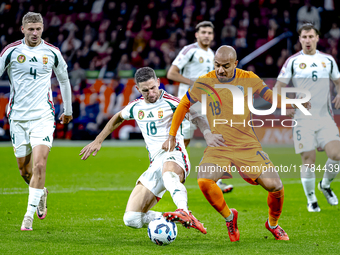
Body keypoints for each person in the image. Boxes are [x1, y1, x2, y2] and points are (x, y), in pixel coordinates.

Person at [162, 46, 305, 242]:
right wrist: (172, 134)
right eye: (217, 65)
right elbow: (184, 104)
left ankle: (273, 224)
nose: (220, 70)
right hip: (219, 145)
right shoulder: (205, 81)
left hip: (247, 145)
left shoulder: (248, 78)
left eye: (226, 66)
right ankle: (230, 218)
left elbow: (271, 98)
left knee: (275, 186)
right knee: (204, 180)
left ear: (235, 64)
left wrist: (294, 103)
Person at [80, 67, 224, 234]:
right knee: (132, 219)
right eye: (145, 90)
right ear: (138, 89)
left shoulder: (172, 102)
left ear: (158, 82)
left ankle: (183, 210)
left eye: (153, 87)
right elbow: (118, 117)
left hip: (174, 154)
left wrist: (207, 134)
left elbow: (197, 115)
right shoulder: (136, 107)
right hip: (155, 163)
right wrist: (98, 141)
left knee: (169, 175)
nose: (151, 93)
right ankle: (170, 218)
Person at [0, 12, 73, 230]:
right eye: (31, 29)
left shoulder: (52, 52)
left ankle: (28, 217)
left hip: (43, 115)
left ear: (42, 29)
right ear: (23, 29)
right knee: (25, 170)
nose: (35, 33)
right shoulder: (11, 51)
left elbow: (63, 79)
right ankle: (41, 192)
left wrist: (67, 109)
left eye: (38, 29)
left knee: (40, 165)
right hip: (18, 118)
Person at [274, 23, 340, 212]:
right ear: (300, 39)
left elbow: (338, 81)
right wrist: (286, 104)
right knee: (308, 159)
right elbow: (278, 87)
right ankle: (311, 200)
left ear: (317, 38)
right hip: (303, 119)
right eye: (304, 37)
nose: (307, 40)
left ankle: (325, 185)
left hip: (325, 117)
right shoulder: (293, 61)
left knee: (337, 154)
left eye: (311, 36)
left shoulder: (328, 60)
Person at [167, 20, 233, 194]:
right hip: (188, 105)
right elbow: (171, 73)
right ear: (196, 34)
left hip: (206, 105)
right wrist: (193, 82)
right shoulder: (190, 50)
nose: (206, 35)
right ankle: (170, 176)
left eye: (209, 33)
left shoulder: (213, 54)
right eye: (203, 32)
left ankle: (216, 178)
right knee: (183, 143)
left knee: (218, 137)